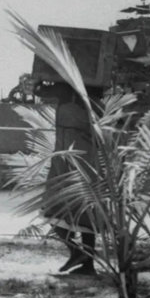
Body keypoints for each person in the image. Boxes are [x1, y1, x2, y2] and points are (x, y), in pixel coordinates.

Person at [37, 81, 98, 275]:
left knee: (53, 211)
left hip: (66, 161)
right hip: (88, 161)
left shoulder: (65, 90)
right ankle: (87, 263)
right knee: (87, 215)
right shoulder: (97, 98)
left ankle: (75, 251)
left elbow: (39, 91)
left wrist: (41, 80)